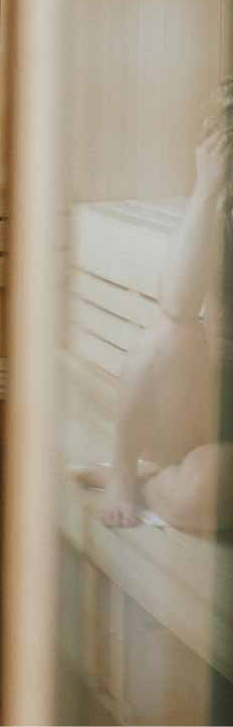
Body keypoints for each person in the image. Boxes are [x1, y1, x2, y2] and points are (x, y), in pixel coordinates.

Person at [73, 80, 233, 533]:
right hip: (204, 405)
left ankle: (149, 483)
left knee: (204, 494)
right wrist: (206, 192)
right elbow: (178, 303)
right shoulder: (221, 214)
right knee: (168, 333)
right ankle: (125, 473)